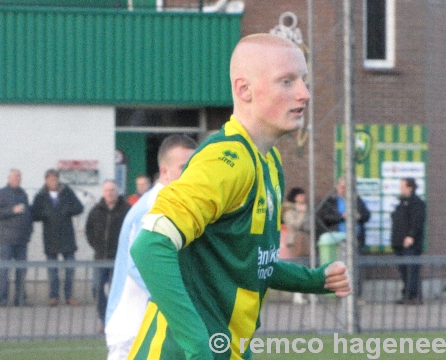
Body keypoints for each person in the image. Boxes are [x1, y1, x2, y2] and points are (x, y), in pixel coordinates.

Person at [128, 33, 351, 360]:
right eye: (286, 82)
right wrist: (197, 344)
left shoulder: (268, 162)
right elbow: (149, 246)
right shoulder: (225, 160)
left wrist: (314, 280)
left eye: (304, 80)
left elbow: (250, 259)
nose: (304, 94)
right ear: (244, 90)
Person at [104, 134, 197, 360]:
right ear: (164, 171)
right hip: (133, 329)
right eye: (184, 167)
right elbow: (139, 266)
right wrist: (182, 304)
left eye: (195, 166)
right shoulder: (153, 207)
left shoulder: (171, 204)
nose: (192, 173)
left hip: (149, 325)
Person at [32, 169, 84, 306]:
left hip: (67, 237)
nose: (53, 181)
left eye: (55, 178)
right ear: (46, 180)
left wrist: (68, 209)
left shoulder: (67, 192)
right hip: (50, 238)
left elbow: (79, 208)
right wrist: (46, 214)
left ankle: (69, 296)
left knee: (70, 269)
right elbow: (34, 214)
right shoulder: (41, 195)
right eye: (50, 179)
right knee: (53, 270)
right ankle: (53, 296)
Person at [85, 180, 130, 331]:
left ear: (117, 192)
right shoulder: (96, 211)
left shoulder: (126, 210)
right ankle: (105, 320)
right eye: (107, 190)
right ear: (103, 193)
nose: (109, 193)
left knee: (117, 292)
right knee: (96, 289)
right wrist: (97, 247)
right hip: (100, 258)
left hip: (119, 260)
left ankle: (116, 321)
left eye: (112, 190)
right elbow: (89, 232)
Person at [0, 169, 33, 307]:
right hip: (6, 239)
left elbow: (28, 214)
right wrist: (11, 210)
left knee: (21, 270)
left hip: (22, 239)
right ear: (8, 178)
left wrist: (29, 232)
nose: (17, 179)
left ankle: (19, 299)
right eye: (15, 176)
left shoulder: (23, 194)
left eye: (19, 176)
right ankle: (2, 299)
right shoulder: (1, 193)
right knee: (5, 270)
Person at [391, 177, 426, 305]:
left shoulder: (416, 203)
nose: (400, 189)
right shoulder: (401, 203)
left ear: (410, 187)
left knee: (412, 269)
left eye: (402, 186)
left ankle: (414, 295)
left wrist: (411, 236)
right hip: (399, 242)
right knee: (404, 270)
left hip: (410, 244)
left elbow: (417, 221)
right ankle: (407, 294)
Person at [281, 187, 311, 304]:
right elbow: (294, 225)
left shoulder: (306, 208)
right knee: (297, 267)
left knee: (307, 266)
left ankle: (308, 293)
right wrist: (302, 213)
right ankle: (297, 295)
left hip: (305, 239)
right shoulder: (289, 210)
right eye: (300, 195)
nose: (303, 197)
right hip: (295, 241)